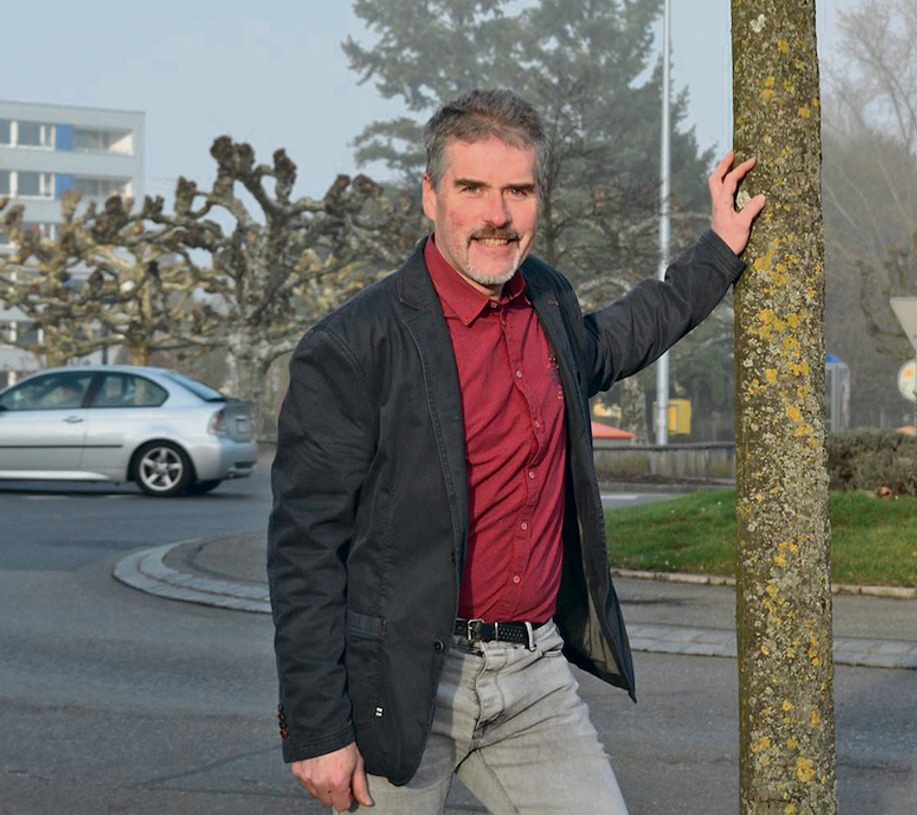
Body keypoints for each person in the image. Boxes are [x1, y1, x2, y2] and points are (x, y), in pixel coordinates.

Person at [268, 87, 765, 813]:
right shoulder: (353, 346)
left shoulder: (548, 300)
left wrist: (718, 251)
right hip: (399, 682)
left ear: (538, 199)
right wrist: (315, 728)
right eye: (472, 188)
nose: (497, 215)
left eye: (518, 192)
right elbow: (305, 547)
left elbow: (621, 336)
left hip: (533, 676)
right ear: (431, 196)